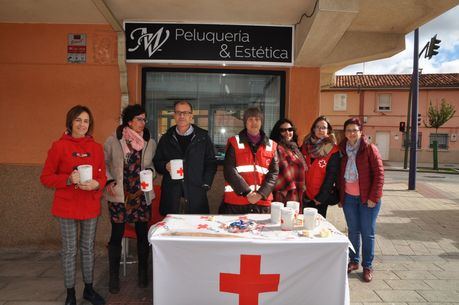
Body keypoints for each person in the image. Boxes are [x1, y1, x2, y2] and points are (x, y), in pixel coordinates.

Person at [40, 105, 106, 305]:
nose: (82, 124)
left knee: (88, 248)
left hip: (90, 204)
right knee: (69, 249)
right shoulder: (59, 146)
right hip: (66, 206)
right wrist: (67, 180)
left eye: (86, 121)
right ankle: (70, 293)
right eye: (78, 120)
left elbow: (102, 176)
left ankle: (88, 288)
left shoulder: (96, 148)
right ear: (70, 122)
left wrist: (97, 184)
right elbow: (46, 177)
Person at [103, 104, 156, 293]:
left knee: (143, 234)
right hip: (119, 195)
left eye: (144, 119)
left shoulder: (150, 141)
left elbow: (151, 164)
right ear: (129, 121)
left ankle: (143, 274)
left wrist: (151, 171)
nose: (143, 122)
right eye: (139, 119)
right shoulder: (113, 141)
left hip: (141, 194)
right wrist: (108, 178)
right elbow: (104, 163)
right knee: (116, 234)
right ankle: (113, 277)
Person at [339, 117, 384, 283]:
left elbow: (379, 175)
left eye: (354, 130)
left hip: (368, 199)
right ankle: (353, 261)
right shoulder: (342, 150)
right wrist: (341, 196)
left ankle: (367, 266)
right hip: (349, 198)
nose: (351, 133)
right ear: (345, 133)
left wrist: (374, 197)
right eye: (348, 130)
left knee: (368, 233)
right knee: (353, 231)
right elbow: (339, 175)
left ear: (360, 132)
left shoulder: (370, 149)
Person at [153, 100, 217, 215]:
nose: (182, 116)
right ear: (174, 115)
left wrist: (206, 183)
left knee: (194, 230)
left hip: (196, 193)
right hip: (172, 194)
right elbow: (157, 162)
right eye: (178, 112)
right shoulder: (166, 138)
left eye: (185, 113)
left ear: (191, 116)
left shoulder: (203, 137)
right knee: (172, 229)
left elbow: (211, 163)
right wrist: (164, 166)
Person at [220, 107, 279, 214]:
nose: (254, 122)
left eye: (257, 119)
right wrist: (247, 192)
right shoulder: (234, 142)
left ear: (261, 122)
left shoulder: (272, 145)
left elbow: (274, 173)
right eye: (250, 119)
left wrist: (261, 194)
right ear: (245, 123)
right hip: (237, 201)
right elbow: (229, 170)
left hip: (262, 201)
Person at [301, 116, 340, 218]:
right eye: (317, 127)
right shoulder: (305, 146)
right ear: (313, 129)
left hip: (320, 198)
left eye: (323, 127)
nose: (320, 130)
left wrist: (320, 197)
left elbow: (331, 177)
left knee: (317, 226)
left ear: (328, 130)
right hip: (305, 195)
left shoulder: (333, 150)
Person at [269, 118, 306, 203]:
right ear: (277, 132)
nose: (287, 133)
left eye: (290, 129)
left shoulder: (294, 148)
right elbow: (282, 170)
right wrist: (290, 190)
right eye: (283, 130)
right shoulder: (277, 148)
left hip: (297, 190)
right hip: (286, 193)